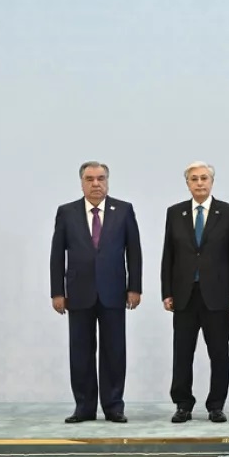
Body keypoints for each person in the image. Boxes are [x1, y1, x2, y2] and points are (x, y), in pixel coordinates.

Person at [49, 161, 141, 424]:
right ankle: (84, 407)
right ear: (81, 183)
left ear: (107, 181)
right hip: (78, 292)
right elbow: (57, 254)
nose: (96, 184)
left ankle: (113, 406)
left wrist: (134, 287)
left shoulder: (123, 210)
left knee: (114, 351)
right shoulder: (66, 212)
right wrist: (57, 291)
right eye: (89, 179)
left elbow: (134, 252)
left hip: (114, 292)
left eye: (101, 178)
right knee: (80, 352)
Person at [160, 161, 229, 424]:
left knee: (219, 353)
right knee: (182, 353)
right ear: (187, 183)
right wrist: (166, 291)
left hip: (217, 295)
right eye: (194, 179)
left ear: (212, 182)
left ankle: (216, 405)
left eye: (204, 178)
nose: (199, 183)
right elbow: (168, 255)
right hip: (184, 295)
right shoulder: (175, 213)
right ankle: (183, 404)